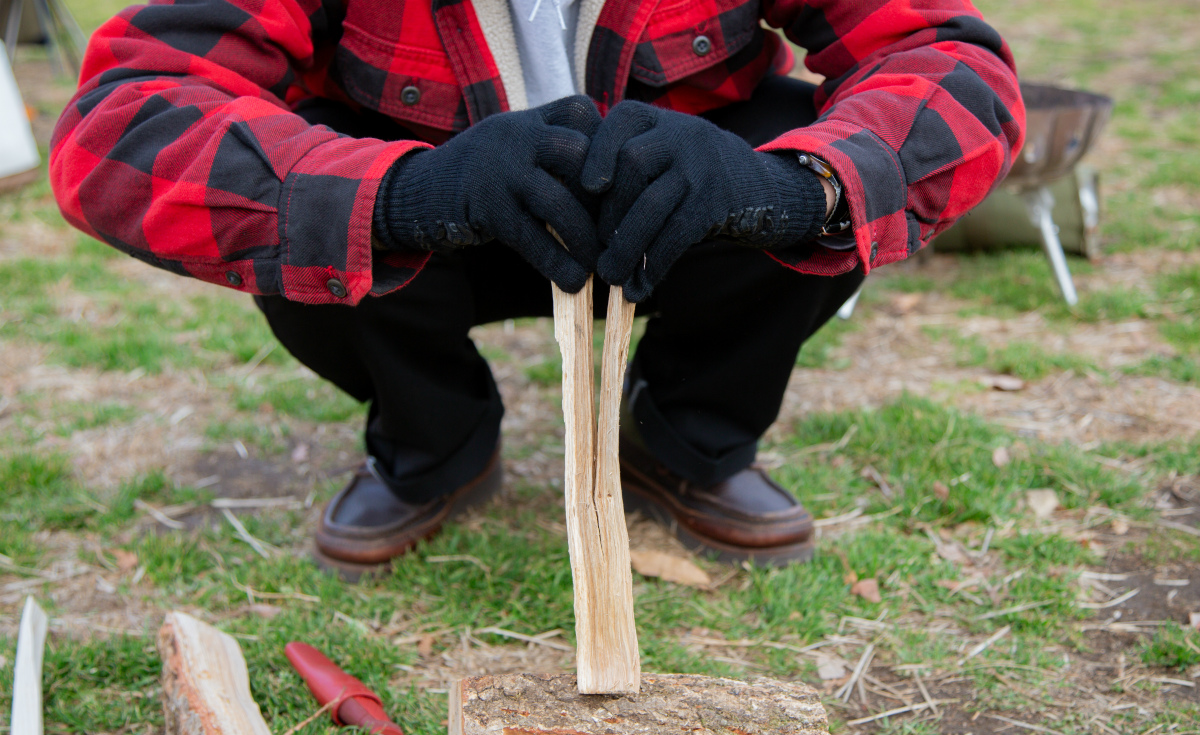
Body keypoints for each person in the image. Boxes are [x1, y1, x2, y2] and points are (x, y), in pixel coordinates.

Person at [50, 0, 1024, 577]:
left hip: (678, 205)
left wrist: (788, 188)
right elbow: (118, 122)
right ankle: (435, 446)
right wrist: (396, 196)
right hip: (439, 212)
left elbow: (948, 57)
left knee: (819, 159)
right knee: (288, 185)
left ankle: (687, 437)